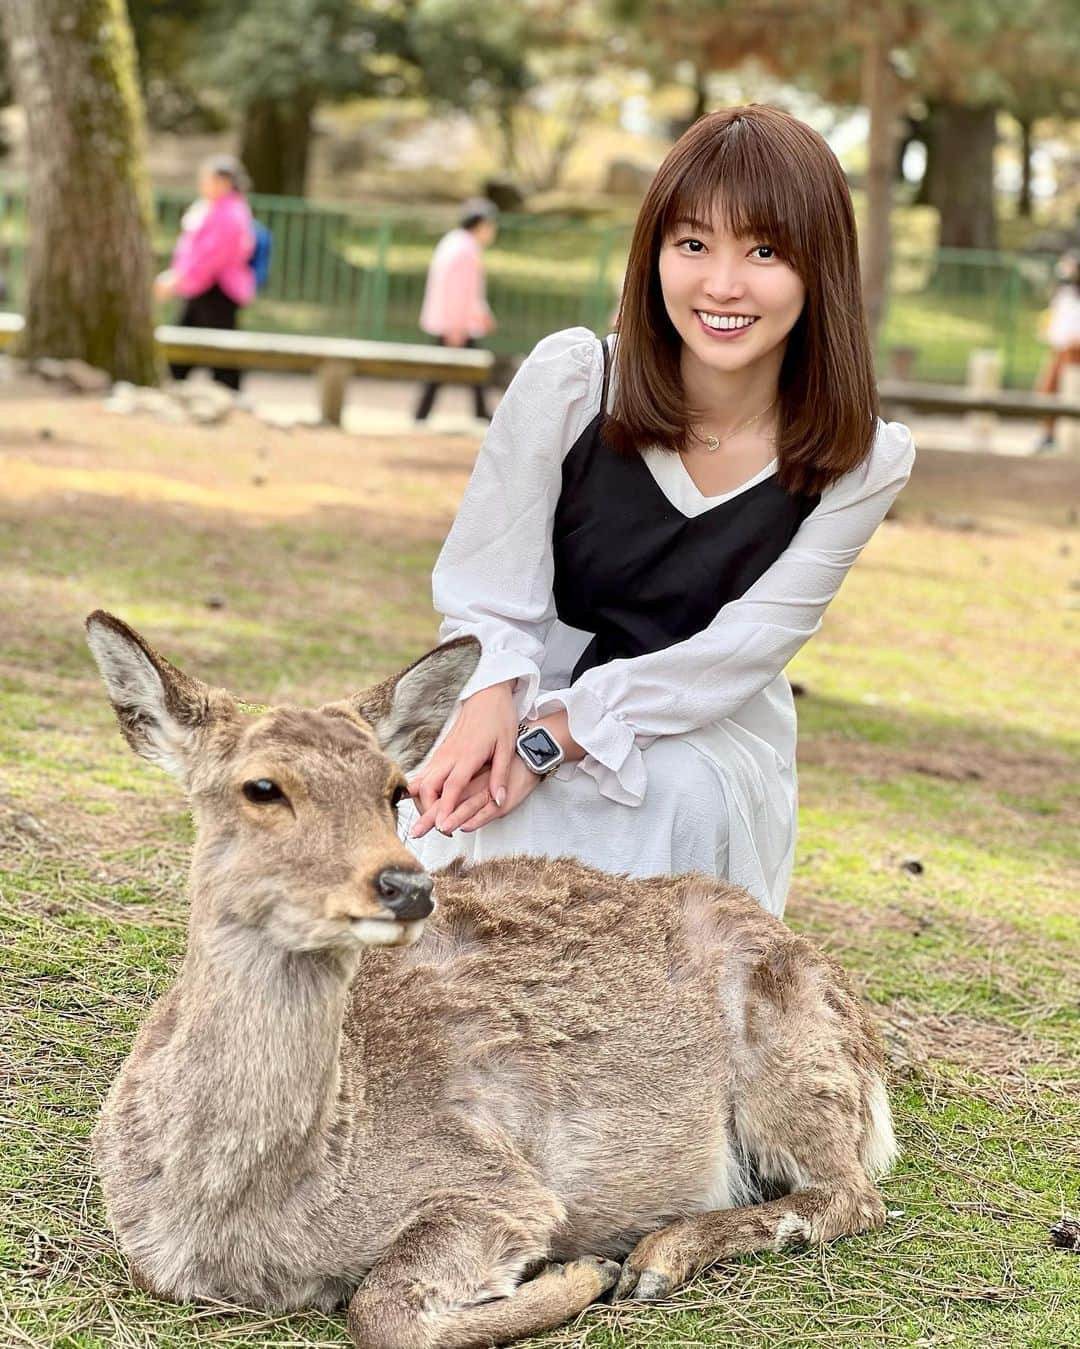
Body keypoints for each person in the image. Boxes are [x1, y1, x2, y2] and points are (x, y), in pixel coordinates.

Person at [402, 106, 916, 917]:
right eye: (693, 244)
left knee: (671, 794)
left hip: (702, 726)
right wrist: (493, 698)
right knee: (482, 805)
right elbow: (488, 584)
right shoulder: (572, 383)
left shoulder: (862, 461)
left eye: (766, 250)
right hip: (534, 682)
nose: (723, 284)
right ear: (655, 255)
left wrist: (554, 738)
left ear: (821, 269)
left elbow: (740, 652)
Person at [155, 155, 256, 391]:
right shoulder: (212, 208)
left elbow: (212, 256)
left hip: (216, 288)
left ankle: (227, 392)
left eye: (208, 180)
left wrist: (179, 278)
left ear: (224, 182)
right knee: (187, 337)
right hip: (202, 285)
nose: (202, 185)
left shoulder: (230, 213)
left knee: (219, 347)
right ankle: (172, 381)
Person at [414, 198, 498, 422]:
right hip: (456, 323)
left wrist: (482, 314)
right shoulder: (464, 251)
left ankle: (425, 413)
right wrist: (456, 326)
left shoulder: (454, 243)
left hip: (451, 320)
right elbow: (458, 293)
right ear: (480, 225)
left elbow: (468, 292)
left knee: (450, 370)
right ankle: (424, 413)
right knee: (451, 370)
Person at [1035, 252, 1080, 452]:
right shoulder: (1063, 295)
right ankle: (1049, 434)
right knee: (1048, 390)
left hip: (1075, 353)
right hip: (1060, 351)